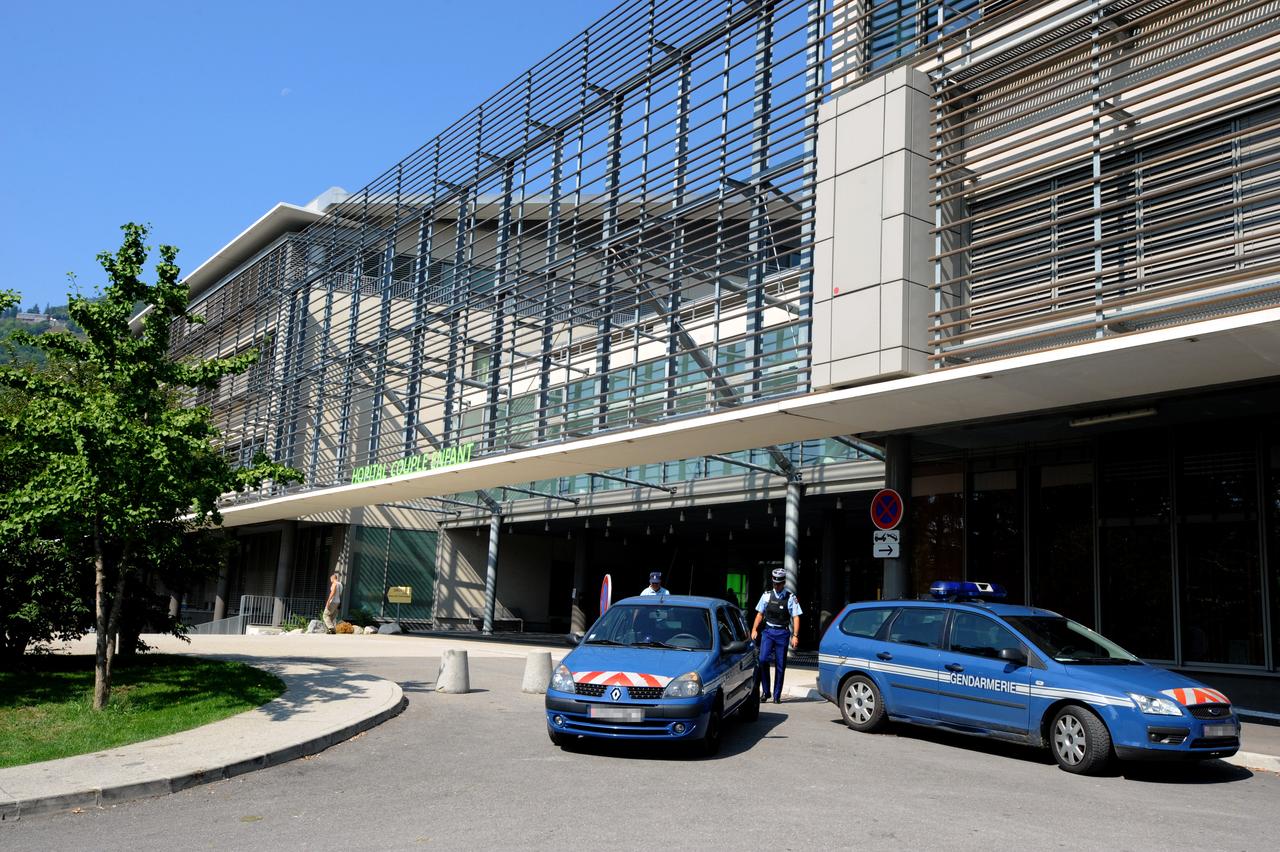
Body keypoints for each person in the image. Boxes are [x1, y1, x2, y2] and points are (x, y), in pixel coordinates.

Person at [751, 567, 802, 703]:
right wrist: (754, 629)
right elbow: (759, 614)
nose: (776, 586)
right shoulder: (766, 595)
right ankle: (766, 691)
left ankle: (776, 695)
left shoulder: (790, 597)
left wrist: (795, 635)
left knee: (780, 665)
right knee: (762, 660)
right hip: (768, 632)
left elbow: (796, 617)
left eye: (779, 583)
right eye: (774, 583)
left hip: (782, 633)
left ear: (784, 582)